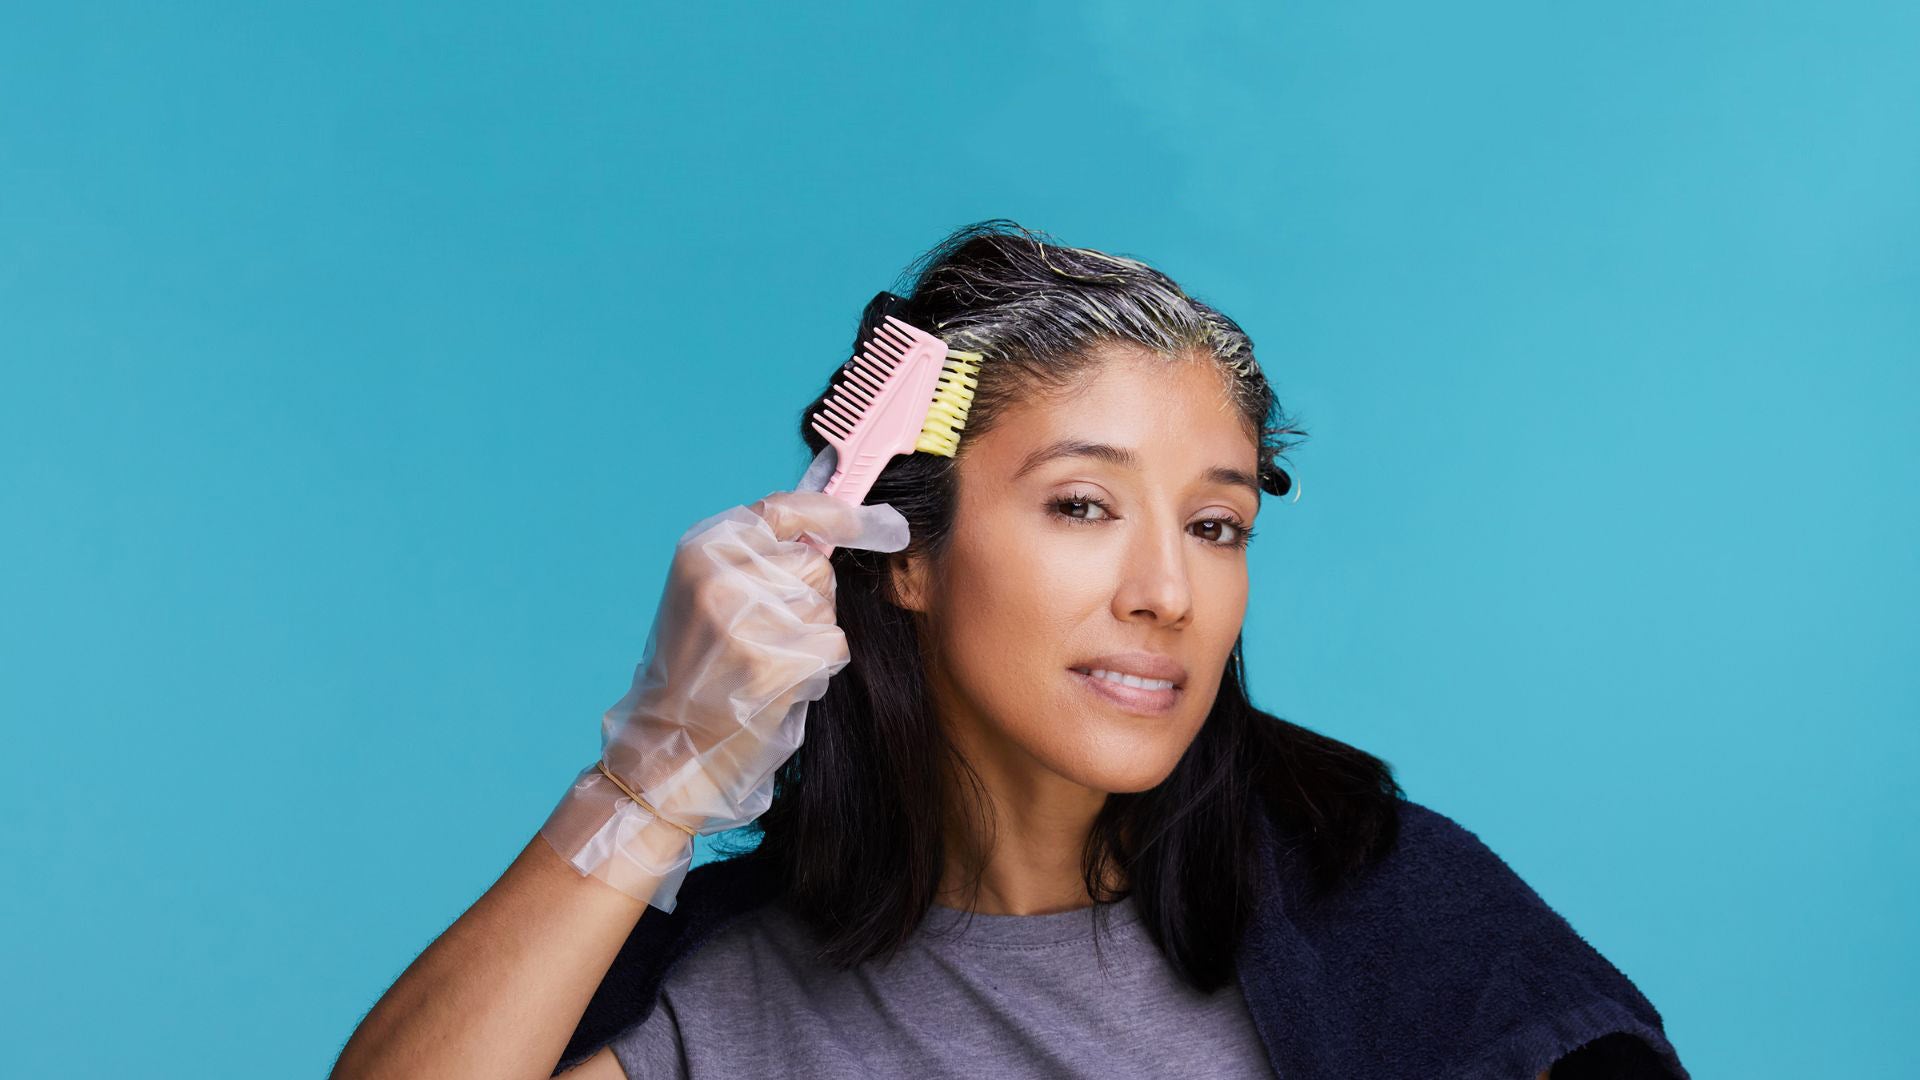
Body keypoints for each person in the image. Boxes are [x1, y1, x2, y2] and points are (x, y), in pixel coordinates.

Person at [330, 221, 1688, 1080]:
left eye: (1217, 525)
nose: (1169, 591)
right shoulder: (731, 1004)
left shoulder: (1384, 916)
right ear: (903, 554)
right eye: (1083, 505)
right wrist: (647, 787)